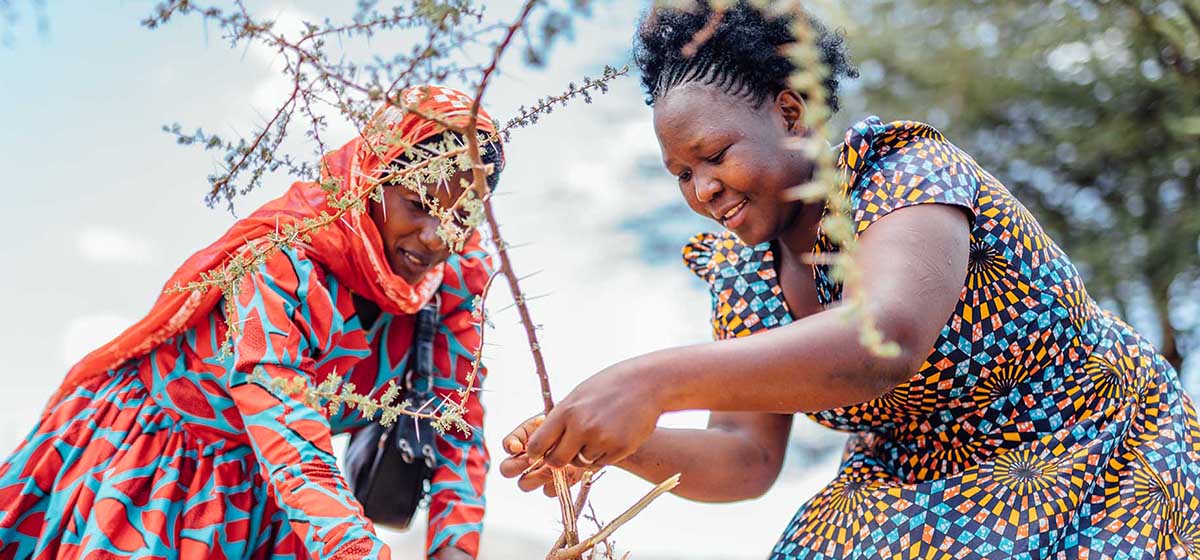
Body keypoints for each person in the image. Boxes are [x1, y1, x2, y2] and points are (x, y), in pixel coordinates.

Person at [500, 3, 1200, 557]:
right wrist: (620, 441)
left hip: (1094, 454)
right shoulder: (748, 284)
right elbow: (745, 460)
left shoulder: (905, 175)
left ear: (790, 113)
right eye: (681, 174)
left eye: (713, 155)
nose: (702, 188)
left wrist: (647, 382)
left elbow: (881, 341)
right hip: (912, 485)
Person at [0, 85, 499, 560]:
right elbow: (289, 430)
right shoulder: (281, 265)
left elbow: (456, 427)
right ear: (371, 179)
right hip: (161, 473)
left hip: (284, 503)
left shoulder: (450, 285)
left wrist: (454, 548)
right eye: (418, 204)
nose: (437, 237)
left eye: (462, 218)